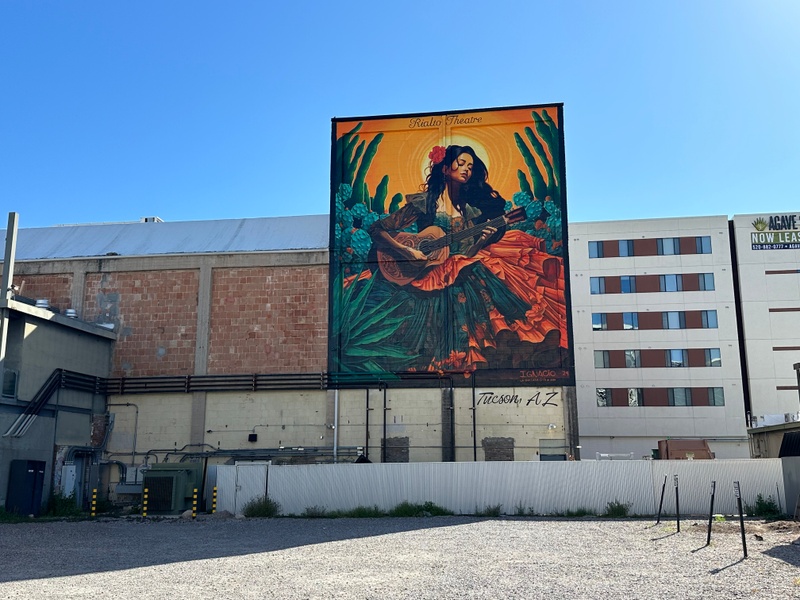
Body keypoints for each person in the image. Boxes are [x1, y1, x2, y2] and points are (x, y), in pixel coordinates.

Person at [364, 144, 567, 374]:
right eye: (461, 163)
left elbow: (467, 253)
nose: (466, 170)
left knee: (477, 291)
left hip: (457, 269)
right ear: (444, 168)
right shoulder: (424, 203)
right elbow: (376, 229)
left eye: (470, 166)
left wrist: (482, 240)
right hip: (425, 273)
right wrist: (405, 251)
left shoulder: (469, 210)